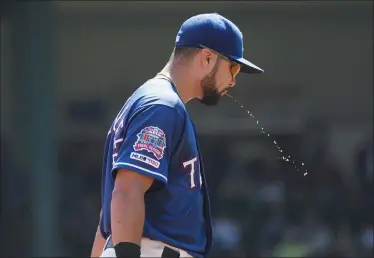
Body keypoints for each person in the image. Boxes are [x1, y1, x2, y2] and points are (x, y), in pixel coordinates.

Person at [90, 13, 264, 258]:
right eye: (233, 67)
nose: (234, 80)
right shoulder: (163, 105)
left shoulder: (153, 102)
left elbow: (109, 214)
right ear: (207, 57)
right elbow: (127, 190)